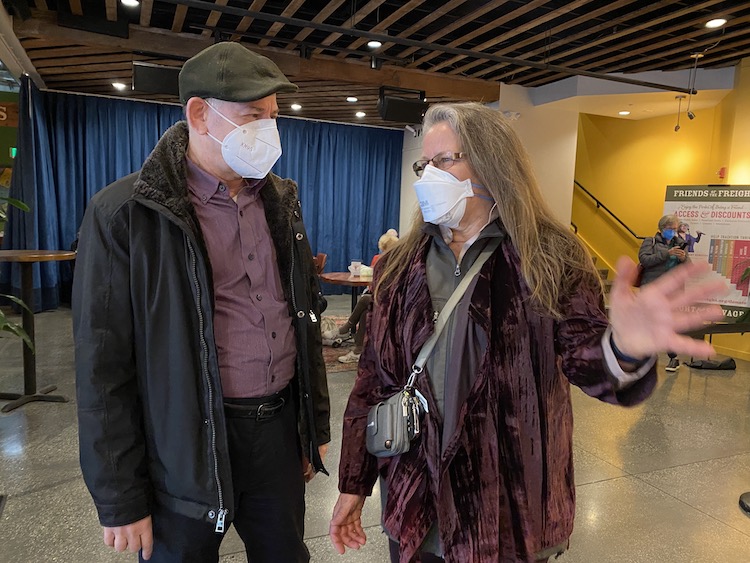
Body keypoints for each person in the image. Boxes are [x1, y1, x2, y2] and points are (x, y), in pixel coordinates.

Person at [328, 102, 726, 563]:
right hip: (415, 506)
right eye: (424, 164)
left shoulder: (550, 256)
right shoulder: (400, 266)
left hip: (508, 515)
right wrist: (354, 484)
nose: (428, 176)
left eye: (445, 160)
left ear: (491, 161)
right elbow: (373, 381)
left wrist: (623, 348)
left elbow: (584, 358)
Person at [73, 42, 330, 563]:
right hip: (183, 444)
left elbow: (302, 319)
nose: (268, 129)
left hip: (277, 433)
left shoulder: (281, 202)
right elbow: (102, 366)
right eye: (253, 116)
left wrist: (314, 426)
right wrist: (120, 496)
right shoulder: (126, 214)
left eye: (273, 116)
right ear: (198, 114)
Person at [324, 229, 399, 364]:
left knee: (365, 299)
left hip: (392, 303)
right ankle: (358, 350)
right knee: (365, 311)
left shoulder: (397, 266)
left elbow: (392, 290)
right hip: (382, 299)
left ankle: (345, 329)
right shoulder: (385, 263)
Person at [638, 214, 689, 372]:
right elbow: (644, 260)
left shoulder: (680, 243)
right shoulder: (650, 242)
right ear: (661, 229)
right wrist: (667, 254)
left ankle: (673, 358)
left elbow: (688, 267)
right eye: (670, 228)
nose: (673, 231)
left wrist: (684, 259)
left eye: (675, 229)